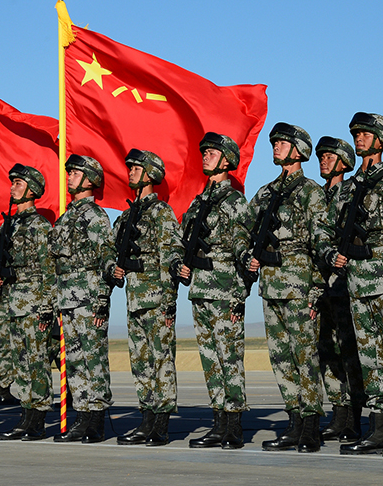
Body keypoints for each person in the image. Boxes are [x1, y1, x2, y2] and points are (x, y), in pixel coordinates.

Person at [321, 113, 383, 457]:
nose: (359, 138)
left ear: (381, 141)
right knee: (370, 358)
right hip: (358, 284)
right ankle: (377, 428)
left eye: (365, 133)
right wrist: (330, 252)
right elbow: (324, 229)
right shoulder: (346, 189)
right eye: (356, 134)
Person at [248, 123, 328, 452]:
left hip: (299, 287)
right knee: (281, 358)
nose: (276, 147)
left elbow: (322, 244)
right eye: (275, 142)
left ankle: (311, 426)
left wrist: (317, 290)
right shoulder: (265, 193)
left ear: (299, 150)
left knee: (305, 357)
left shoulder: (311, 192)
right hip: (270, 286)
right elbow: (245, 230)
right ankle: (294, 421)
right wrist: (247, 255)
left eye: (282, 142)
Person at [174, 133, 253, 450]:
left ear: (227, 160)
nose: (205, 155)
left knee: (229, 358)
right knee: (210, 360)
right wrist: (181, 264)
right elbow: (183, 241)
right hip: (200, 291)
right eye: (204, 151)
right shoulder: (198, 202)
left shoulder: (235, 202)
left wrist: (239, 295)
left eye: (212, 152)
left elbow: (244, 249)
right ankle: (218, 423)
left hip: (225, 290)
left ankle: (234, 426)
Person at [111, 149, 183, 447]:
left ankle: (161, 424)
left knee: (161, 360)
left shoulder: (161, 212)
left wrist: (169, 303)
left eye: (136, 168)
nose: (130, 172)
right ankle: (146, 418)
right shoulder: (127, 215)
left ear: (151, 174)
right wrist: (113, 267)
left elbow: (170, 256)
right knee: (140, 362)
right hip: (134, 299)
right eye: (130, 168)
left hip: (156, 299)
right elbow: (110, 250)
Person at [50, 155, 115, 443]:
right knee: (75, 361)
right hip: (66, 299)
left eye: (75, 173)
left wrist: (102, 299)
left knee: (93, 359)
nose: (70, 177)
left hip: (88, 297)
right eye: (70, 173)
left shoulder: (95, 216)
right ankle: (82, 415)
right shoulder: (64, 218)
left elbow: (106, 258)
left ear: (90, 180)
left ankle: (96, 420)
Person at [0, 164, 56, 441]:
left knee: (37, 362)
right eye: (13, 183)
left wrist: (47, 307)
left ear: (32, 190)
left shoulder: (40, 226)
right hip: (13, 304)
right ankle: (26, 414)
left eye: (18, 183)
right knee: (20, 363)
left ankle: (37, 419)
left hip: (34, 304)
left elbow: (49, 269)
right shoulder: (7, 226)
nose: (13, 187)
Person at [314, 136, 366, 443]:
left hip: (344, 285)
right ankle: (339, 410)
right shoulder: (315, 195)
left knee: (350, 352)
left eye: (329, 156)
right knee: (327, 352)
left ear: (344, 162)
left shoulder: (351, 192)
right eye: (321, 156)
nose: (323, 160)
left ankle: (354, 416)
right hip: (319, 287)